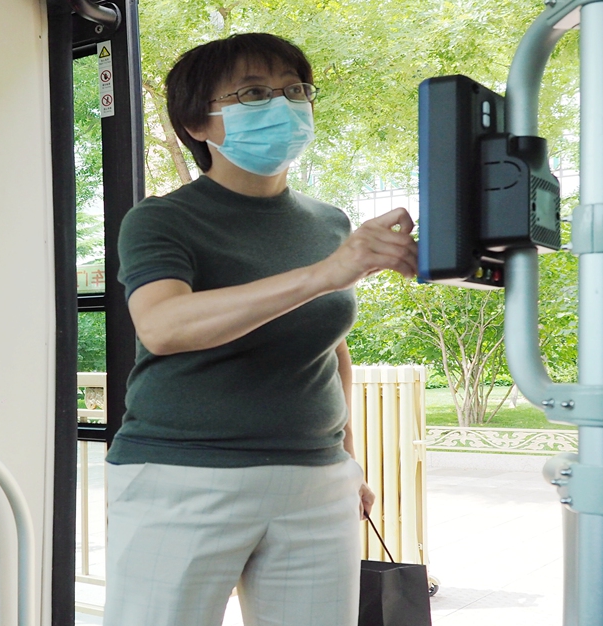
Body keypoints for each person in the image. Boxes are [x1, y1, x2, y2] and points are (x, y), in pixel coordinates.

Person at [105, 33, 417, 626]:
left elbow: (329, 346)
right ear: (198, 123)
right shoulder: (161, 220)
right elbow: (163, 325)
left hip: (316, 481)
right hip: (184, 477)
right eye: (253, 92)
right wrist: (326, 273)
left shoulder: (329, 222)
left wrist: (347, 460)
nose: (282, 104)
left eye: (294, 89)